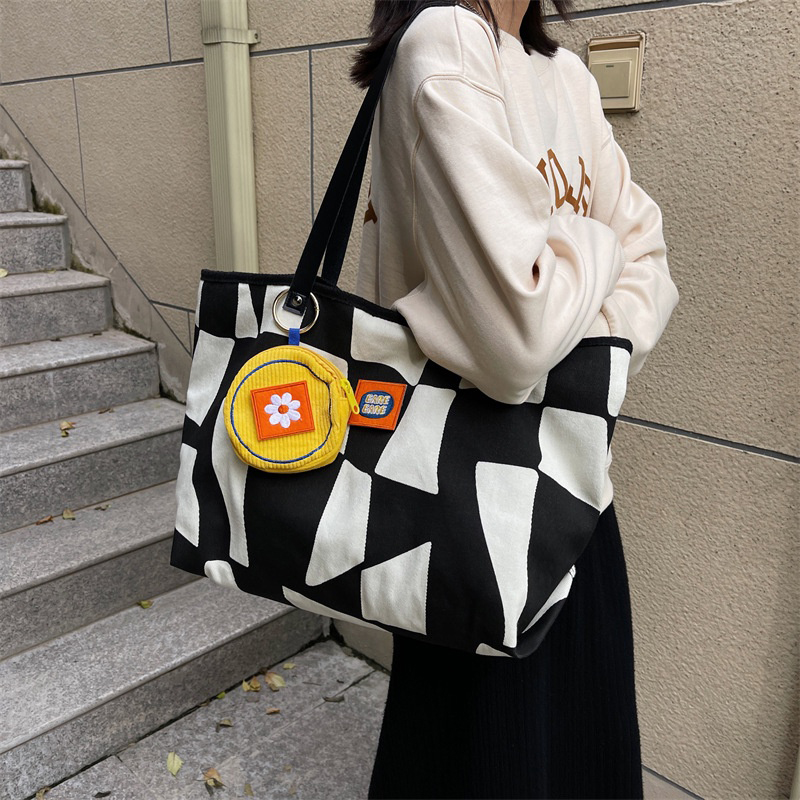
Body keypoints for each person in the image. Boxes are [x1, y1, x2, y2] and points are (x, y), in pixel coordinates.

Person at [349, 1, 680, 797]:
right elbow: (516, 339)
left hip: (576, 493)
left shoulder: (564, 76)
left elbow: (655, 267)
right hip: (463, 505)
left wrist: (572, 297)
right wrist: (599, 241)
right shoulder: (442, 45)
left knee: (578, 756)